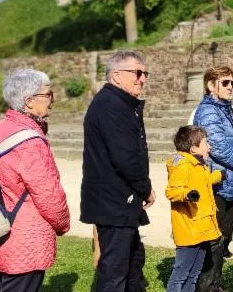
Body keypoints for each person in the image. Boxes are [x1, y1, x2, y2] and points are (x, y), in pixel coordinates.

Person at [0, 69, 71, 291]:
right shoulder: (29, 140)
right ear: (29, 101)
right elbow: (49, 194)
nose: (52, 101)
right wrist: (63, 223)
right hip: (24, 241)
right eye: (48, 95)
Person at [81, 50, 156, 292]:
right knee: (114, 273)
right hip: (113, 203)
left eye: (144, 73)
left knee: (132, 264)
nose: (142, 79)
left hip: (121, 204)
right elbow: (126, 157)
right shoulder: (110, 106)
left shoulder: (119, 104)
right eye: (137, 72)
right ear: (116, 75)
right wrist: (145, 188)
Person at [193, 66, 233, 291]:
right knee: (214, 237)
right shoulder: (209, 112)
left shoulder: (225, 109)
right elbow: (219, 147)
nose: (231, 87)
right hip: (217, 182)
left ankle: (215, 283)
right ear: (211, 86)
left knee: (223, 235)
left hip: (228, 180)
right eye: (226, 83)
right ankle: (206, 286)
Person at [165, 125, 224, 292]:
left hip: (201, 228)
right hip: (189, 230)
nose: (209, 146)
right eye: (206, 143)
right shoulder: (183, 165)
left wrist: (219, 176)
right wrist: (187, 194)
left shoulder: (198, 164)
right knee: (181, 273)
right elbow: (172, 190)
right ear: (193, 148)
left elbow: (204, 181)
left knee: (194, 273)